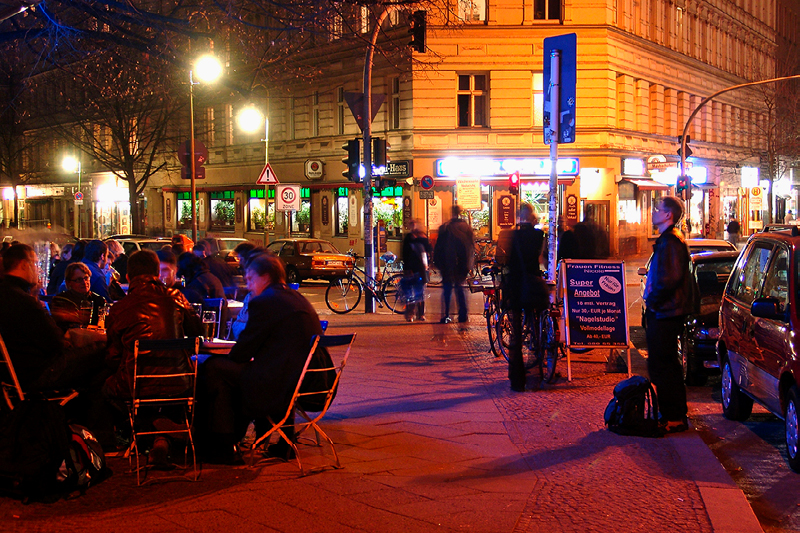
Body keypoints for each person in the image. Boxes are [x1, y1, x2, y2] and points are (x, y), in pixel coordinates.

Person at [199, 253, 326, 464]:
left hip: (278, 384)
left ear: (265, 277)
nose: (248, 286)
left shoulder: (265, 302)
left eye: (250, 279)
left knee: (214, 368)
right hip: (310, 381)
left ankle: (224, 442)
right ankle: (281, 442)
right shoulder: (297, 299)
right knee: (231, 373)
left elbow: (242, 353)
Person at [102, 249, 203, 465]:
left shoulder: (121, 308)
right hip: (180, 381)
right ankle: (161, 435)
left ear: (128, 277)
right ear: (158, 274)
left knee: (105, 388)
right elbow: (197, 330)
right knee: (166, 390)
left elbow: (112, 357)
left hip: (137, 384)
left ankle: (148, 428)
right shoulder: (176, 297)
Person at [0, 244, 103, 392]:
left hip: (13, 374)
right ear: (23, 265)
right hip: (39, 373)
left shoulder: (7, 294)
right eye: (36, 264)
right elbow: (56, 343)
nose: (38, 269)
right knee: (101, 350)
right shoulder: (23, 301)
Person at [643, 196, 697, 434]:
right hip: (664, 311)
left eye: (658, 209)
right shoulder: (667, 240)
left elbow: (670, 279)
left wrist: (653, 302)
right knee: (663, 364)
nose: (654, 212)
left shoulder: (671, 242)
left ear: (668, 215)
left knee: (663, 364)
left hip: (666, 312)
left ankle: (674, 416)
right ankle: (673, 413)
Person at [498, 203, 549, 392]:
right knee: (536, 328)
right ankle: (536, 373)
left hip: (516, 287)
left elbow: (506, 261)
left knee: (516, 336)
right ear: (533, 217)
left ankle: (517, 380)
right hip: (533, 285)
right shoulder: (539, 235)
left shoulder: (513, 235)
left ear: (519, 216)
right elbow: (542, 260)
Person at [433, 205, 475, 327]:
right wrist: (469, 264)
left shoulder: (446, 228)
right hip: (462, 264)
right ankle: (463, 314)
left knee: (447, 289)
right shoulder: (466, 228)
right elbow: (471, 247)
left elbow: (439, 247)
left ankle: (446, 315)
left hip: (447, 263)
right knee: (460, 287)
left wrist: (437, 262)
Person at [50, 262, 106, 332]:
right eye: (79, 280)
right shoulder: (60, 300)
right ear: (68, 282)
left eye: (86, 278)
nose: (84, 282)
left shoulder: (98, 300)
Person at [402, 219, 432, 322]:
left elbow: (428, 249)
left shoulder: (421, 237)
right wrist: (406, 268)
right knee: (411, 293)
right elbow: (405, 254)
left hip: (420, 269)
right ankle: (411, 314)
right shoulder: (408, 238)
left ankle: (421, 314)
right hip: (412, 269)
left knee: (420, 292)